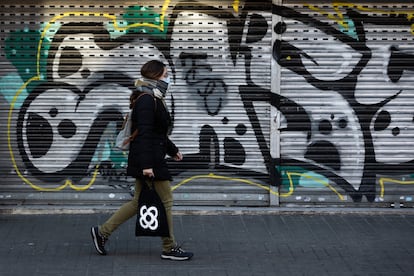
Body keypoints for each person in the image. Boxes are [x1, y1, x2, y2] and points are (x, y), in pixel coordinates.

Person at [91, 60, 193, 261]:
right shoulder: (148, 99)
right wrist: (147, 166)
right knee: (166, 201)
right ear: (155, 77)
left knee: (138, 202)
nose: (168, 79)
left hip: (150, 156)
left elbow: (156, 132)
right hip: (149, 160)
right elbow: (145, 134)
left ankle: (102, 233)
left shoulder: (153, 97)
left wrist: (173, 150)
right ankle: (169, 247)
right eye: (165, 75)